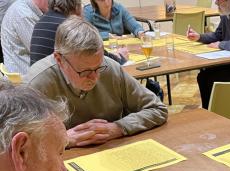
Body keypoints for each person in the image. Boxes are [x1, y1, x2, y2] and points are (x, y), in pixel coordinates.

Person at [26, 16, 168, 148]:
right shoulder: (37, 83)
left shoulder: (110, 68)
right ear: (59, 60)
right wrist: (62, 139)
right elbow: (16, 144)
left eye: (98, 67)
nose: (94, 77)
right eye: (85, 72)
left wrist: (119, 127)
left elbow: (158, 109)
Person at [1, 0, 48, 75]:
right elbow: (41, 52)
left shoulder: (26, 7)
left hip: (27, 71)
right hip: (23, 78)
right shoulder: (23, 14)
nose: (54, 4)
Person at [30, 0, 82, 65]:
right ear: (77, 6)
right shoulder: (67, 25)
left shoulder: (41, 22)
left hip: (37, 73)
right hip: (54, 73)